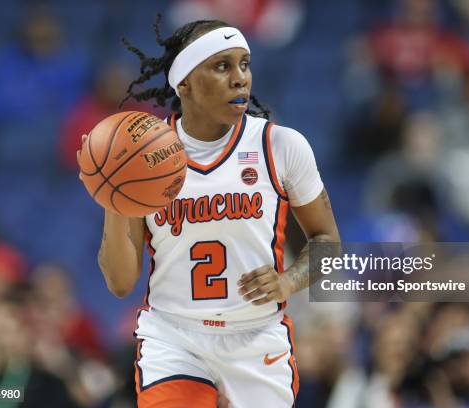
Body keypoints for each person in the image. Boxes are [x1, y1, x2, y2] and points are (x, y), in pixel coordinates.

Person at [77, 15, 340, 407]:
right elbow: (119, 283)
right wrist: (115, 197)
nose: (240, 78)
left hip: (255, 336)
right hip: (174, 337)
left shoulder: (280, 145)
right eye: (222, 66)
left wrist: (288, 282)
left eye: (244, 64)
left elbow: (328, 244)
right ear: (183, 82)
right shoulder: (141, 156)